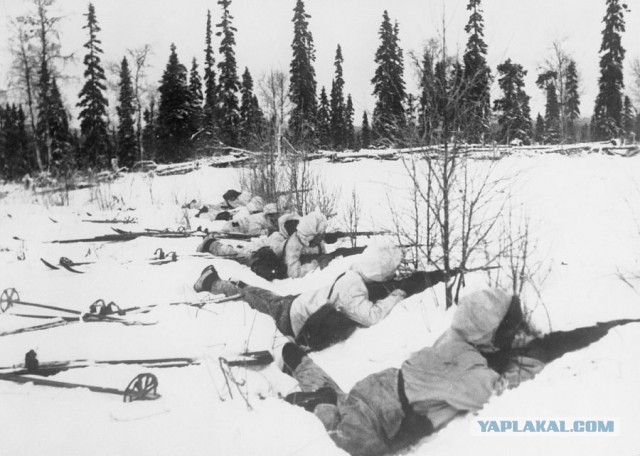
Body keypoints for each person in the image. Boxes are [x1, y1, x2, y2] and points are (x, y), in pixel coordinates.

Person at [278, 288, 640, 456]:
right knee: (339, 434)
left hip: (376, 390)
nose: (513, 333)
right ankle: (318, 403)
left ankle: (299, 364)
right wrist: (540, 355)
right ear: (488, 331)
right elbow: (503, 394)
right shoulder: (461, 365)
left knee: (339, 399)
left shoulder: (459, 338)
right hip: (373, 417)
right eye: (507, 327)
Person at [193, 243, 451, 350]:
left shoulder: (357, 273)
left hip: (301, 304)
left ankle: (231, 285)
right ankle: (214, 284)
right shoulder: (354, 288)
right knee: (258, 298)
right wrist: (399, 291)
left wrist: (428, 278)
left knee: (261, 296)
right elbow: (372, 316)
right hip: (294, 319)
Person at [284, 212, 328, 278]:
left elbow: (324, 257)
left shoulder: (319, 242)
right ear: (311, 233)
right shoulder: (293, 244)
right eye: (320, 234)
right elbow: (294, 273)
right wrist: (315, 264)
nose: (323, 236)